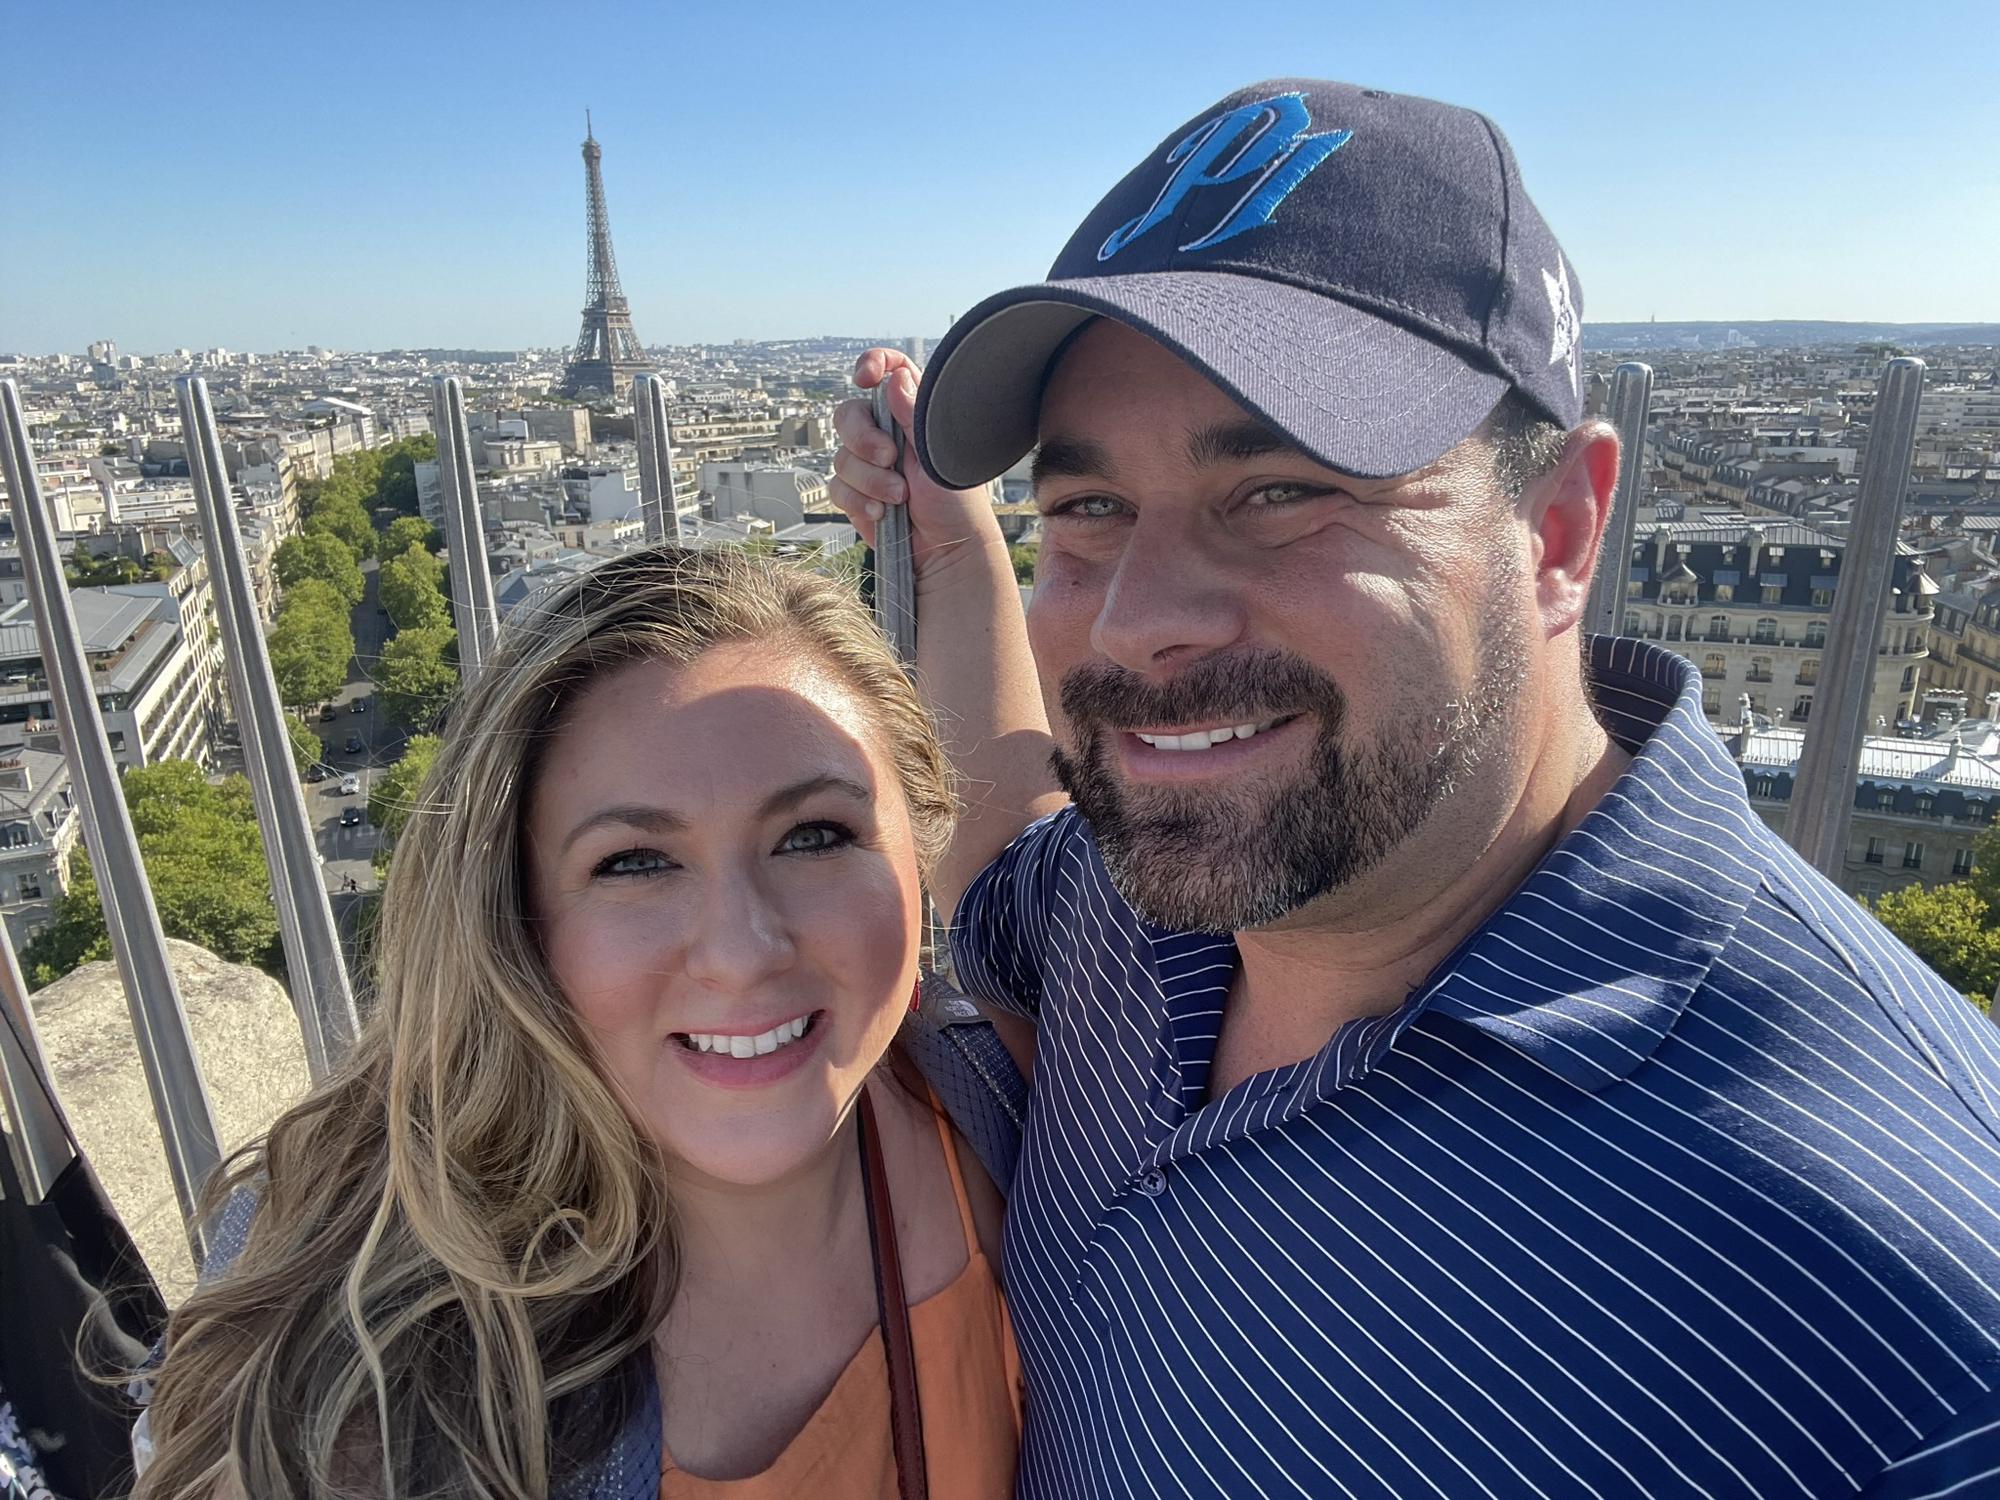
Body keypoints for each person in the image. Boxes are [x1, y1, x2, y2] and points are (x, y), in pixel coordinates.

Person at [831, 77, 2000, 1497]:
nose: (1137, 619)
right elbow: (1004, 822)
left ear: (1559, 529)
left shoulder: (1910, 1295)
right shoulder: (1141, 898)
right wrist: (955, 546)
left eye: (1278, 491)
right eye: (1086, 507)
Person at [132, 547, 1022, 1499]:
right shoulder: (364, 1413)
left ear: (922, 851)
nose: (742, 949)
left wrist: (961, 542)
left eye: (814, 837)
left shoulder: (1017, 1105)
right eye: (635, 862)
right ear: (516, 914)